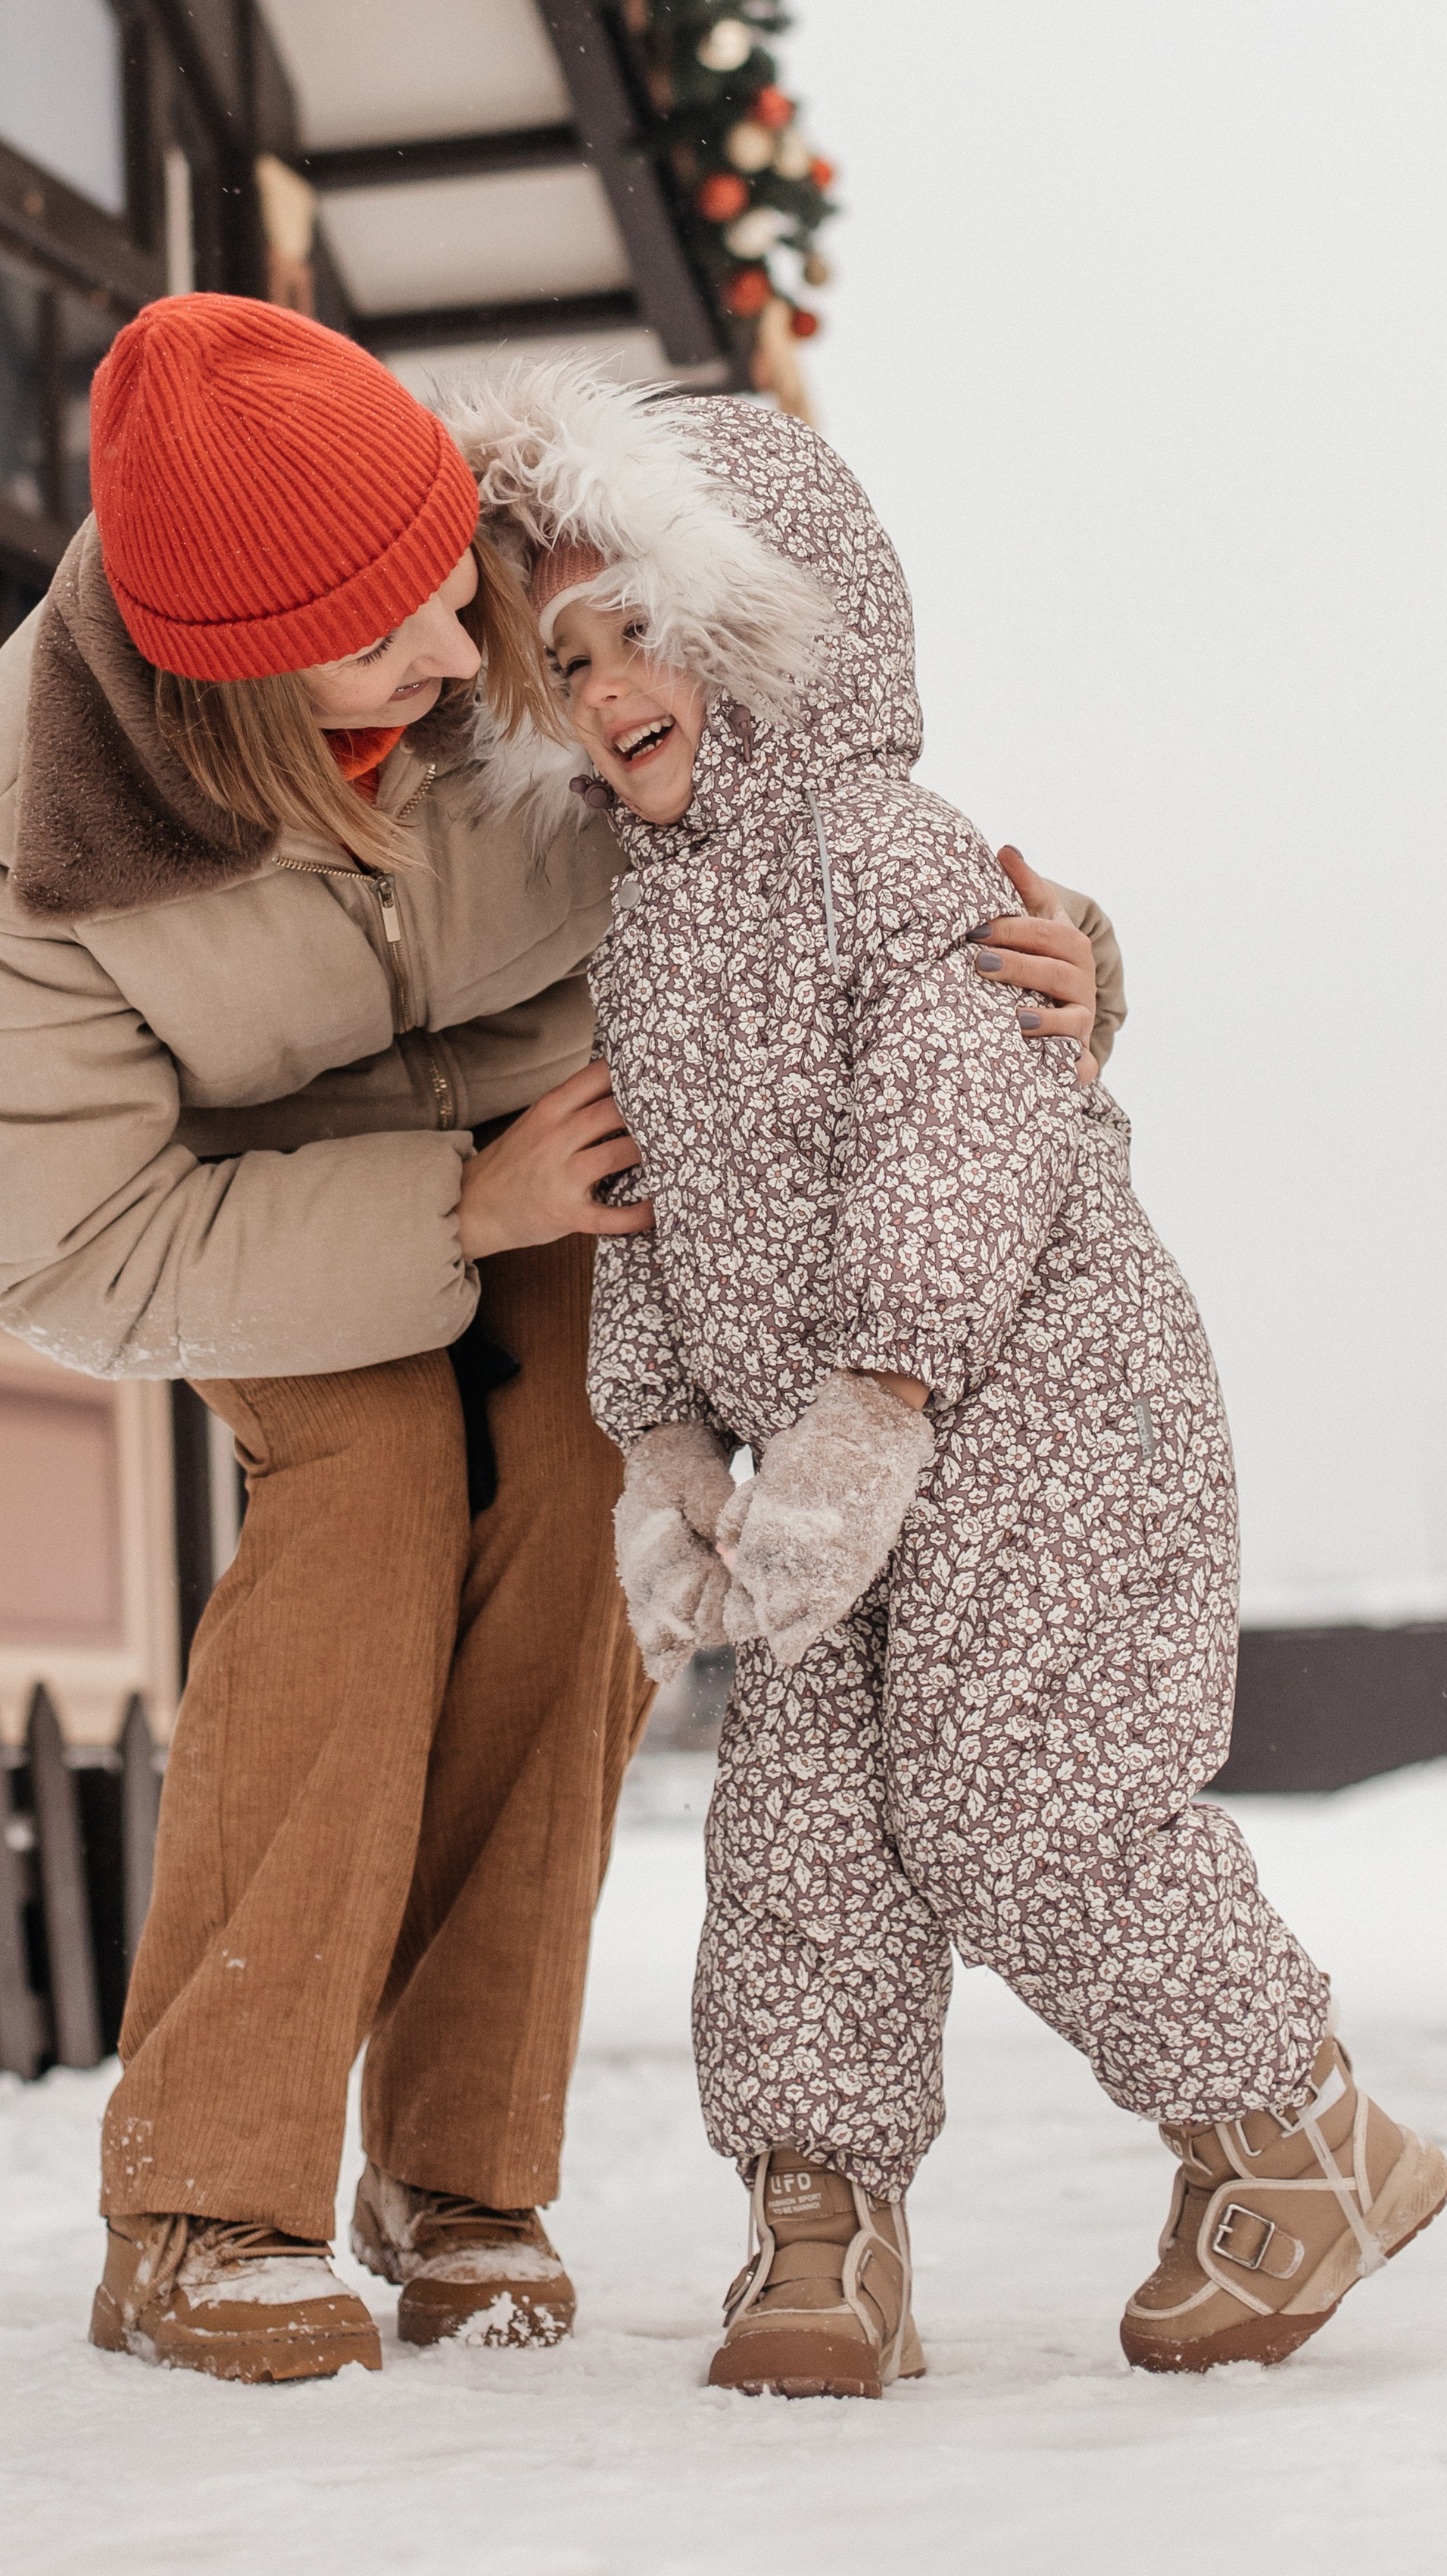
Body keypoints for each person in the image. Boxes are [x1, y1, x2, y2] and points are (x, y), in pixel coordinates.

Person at [0, 295, 1109, 2387]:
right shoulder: (35, 826)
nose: (472, 659)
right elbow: (75, 1244)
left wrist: (1059, 961)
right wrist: (448, 1209)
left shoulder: (523, 565)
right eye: (390, 638)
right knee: (373, 1505)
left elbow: (824, 806)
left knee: (574, 1495)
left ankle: (461, 2177)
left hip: (575, 1118)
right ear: (243, 693)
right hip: (269, 1203)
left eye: (450, 584)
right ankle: (202, 2204)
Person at [456, 361, 1446, 2396]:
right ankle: (819, 2221)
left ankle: (1294, 2130)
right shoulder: (638, 940)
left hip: (1031, 1415)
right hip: (817, 1468)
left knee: (1023, 1794)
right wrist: (658, 1449)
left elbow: (959, 1127)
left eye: (643, 619)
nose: (608, 678)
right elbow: (638, 1198)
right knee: (800, 1826)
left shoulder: (905, 858)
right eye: (563, 649)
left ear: (758, 615)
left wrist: (878, 1398)